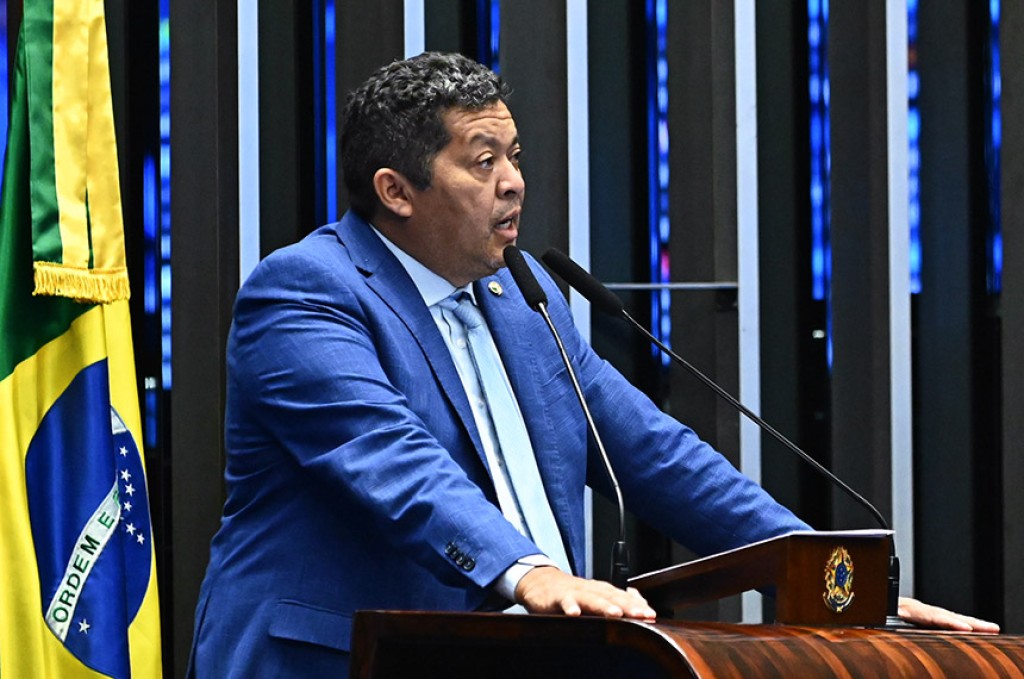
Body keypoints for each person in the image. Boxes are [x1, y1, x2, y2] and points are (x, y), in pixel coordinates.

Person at [187, 52, 997, 678]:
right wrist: (527, 570)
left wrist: (839, 585)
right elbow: (392, 459)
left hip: (524, 656)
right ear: (396, 190)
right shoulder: (305, 293)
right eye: (482, 162)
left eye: (514, 155)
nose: (514, 183)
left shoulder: (521, 299)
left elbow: (658, 455)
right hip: (344, 659)